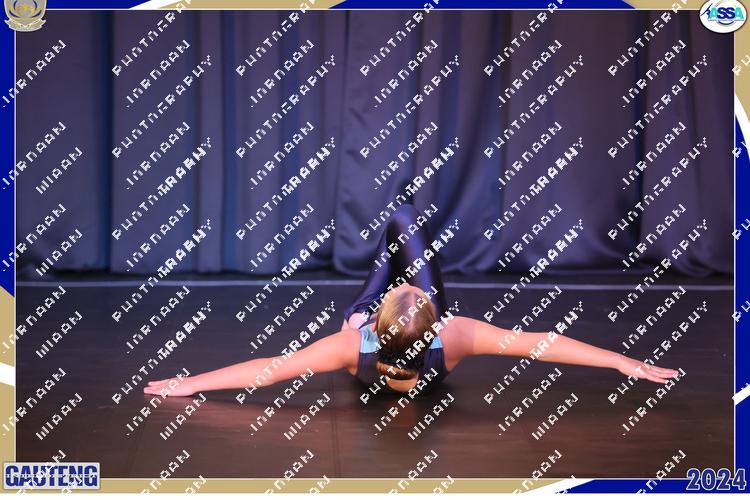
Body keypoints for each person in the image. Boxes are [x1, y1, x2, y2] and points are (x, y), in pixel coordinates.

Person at [144, 204, 678, 398]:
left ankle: (385, 250)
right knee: (405, 223)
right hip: (418, 356)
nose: (406, 283)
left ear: (375, 321)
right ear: (436, 321)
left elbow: (270, 370)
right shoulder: (455, 336)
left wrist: (191, 383)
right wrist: (620, 361)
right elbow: (543, 343)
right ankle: (401, 235)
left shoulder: (350, 344)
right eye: (413, 290)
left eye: (402, 290)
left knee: (399, 224)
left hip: (376, 343)